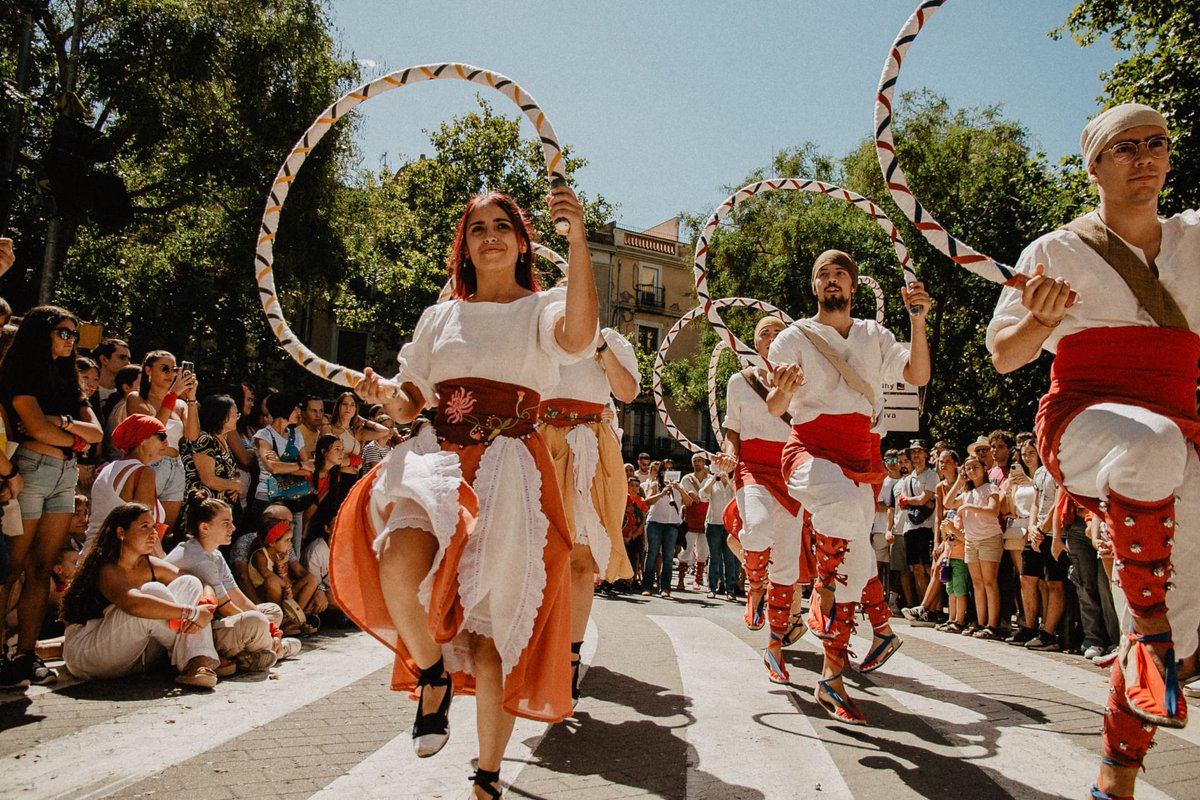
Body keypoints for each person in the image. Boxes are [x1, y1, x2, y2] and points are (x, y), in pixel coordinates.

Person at [330, 186, 597, 799]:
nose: (491, 236)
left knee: (488, 637)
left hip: (508, 467)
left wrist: (577, 237)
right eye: (478, 228)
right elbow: (409, 397)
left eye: (503, 225)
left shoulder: (542, 309)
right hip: (438, 456)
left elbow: (580, 336)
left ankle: (488, 775)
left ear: (523, 241)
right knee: (397, 558)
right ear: (465, 245)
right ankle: (430, 673)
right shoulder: (439, 316)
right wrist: (384, 397)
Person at [987, 102, 1198, 799]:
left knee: (1181, 624)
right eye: (1126, 146)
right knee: (1151, 443)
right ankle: (1148, 626)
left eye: (1157, 143)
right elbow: (1003, 354)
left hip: (1182, 424)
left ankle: (1116, 778)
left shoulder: (1196, 240)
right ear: (1095, 165)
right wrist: (1041, 319)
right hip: (1084, 418)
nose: (1145, 156)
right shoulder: (1054, 250)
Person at [766, 250, 931, 723]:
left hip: (863, 456)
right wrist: (786, 389)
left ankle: (845, 662)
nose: (832, 281)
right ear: (814, 286)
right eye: (824, 275)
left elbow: (917, 375)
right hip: (810, 450)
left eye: (840, 275)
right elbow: (778, 407)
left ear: (854, 286)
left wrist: (917, 322)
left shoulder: (875, 335)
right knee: (837, 512)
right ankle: (826, 632)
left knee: (857, 563)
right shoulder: (793, 337)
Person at [0, 306, 104, 688]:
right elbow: (33, 426)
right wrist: (71, 435)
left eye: (74, 334)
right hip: (29, 471)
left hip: (63, 474)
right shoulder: (20, 371)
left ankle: (26, 656)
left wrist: (61, 428)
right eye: (63, 332)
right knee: (12, 567)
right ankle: (1, 657)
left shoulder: (67, 376)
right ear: (41, 333)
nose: (70, 340)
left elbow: (95, 434)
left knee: (42, 568)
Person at [536, 323, 638, 704]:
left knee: (580, 560)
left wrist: (600, 347)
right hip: (542, 442)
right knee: (544, 557)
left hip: (590, 448)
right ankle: (540, 645)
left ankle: (570, 658)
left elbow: (627, 392)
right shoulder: (539, 331)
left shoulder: (612, 340)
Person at [712, 315, 808, 683]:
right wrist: (728, 455)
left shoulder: (804, 384)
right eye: (762, 333)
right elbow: (731, 431)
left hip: (791, 472)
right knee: (756, 529)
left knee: (786, 568)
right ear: (752, 343)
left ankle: (775, 647)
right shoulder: (739, 382)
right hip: (751, 467)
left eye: (778, 332)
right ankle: (754, 586)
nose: (771, 337)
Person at [60, 503, 221, 689]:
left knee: (189, 584)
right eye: (144, 527)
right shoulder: (106, 567)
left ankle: (197, 659)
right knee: (154, 592)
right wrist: (192, 613)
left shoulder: (149, 563)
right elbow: (133, 604)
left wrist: (207, 600)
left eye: (154, 526)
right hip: (88, 655)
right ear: (121, 532)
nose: (153, 533)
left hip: (134, 657)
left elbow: (198, 581)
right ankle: (199, 658)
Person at [165, 498, 295, 671]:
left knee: (272, 611)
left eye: (232, 523)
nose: (232, 528)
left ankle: (257, 650)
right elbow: (227, 607)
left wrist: (271, 629)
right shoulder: (197, 557)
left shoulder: (215, 555)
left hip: (216, 622)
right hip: (193, 632)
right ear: (204, 527)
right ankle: (276, 649)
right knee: (255, 620)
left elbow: (239, 599)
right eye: (226, 523)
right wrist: (268, 629)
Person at [124, 351, 199, 533]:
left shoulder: (180, 404)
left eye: (174, 370)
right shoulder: (137, 398)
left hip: (176, 465)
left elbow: (192, 435)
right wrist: (173, 394)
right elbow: (153, 429)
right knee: (143, 523)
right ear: (148, 370)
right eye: (164, 368)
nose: (170, 374)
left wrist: (191, 398)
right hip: (151, 464)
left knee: (166, 529)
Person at [84, 414, 169, 556]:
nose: (166, 443)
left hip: (92, 555)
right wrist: (164, 560)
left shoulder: (108, 468)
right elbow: (144, 530)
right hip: (116, 560)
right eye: (161, 436)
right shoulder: (143, 472)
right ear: (142, 438)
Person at [945, 456, 1004, 638]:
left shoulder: (991, 488)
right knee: (977, 583)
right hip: (971, 540)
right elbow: (947, 503)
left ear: (984, 468)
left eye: (975, 467)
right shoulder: (967, 492)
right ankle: (980, 622)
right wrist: (959, 482)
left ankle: (992, 624)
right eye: (968, 468)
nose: (971, 471)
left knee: (989, 582)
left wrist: (969, 507)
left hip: (989, 538)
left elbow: (994, 510)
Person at [252, 393, 313, 559]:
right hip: (268, 497)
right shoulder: (263, 435)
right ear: (284, 409)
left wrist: (283, 465)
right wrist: (298, 465)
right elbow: (272, 467)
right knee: (268, 545)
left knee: (294, 547)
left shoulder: (297, 435)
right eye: (295, 409)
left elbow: (309, 469)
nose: (298, 412)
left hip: (294, 498)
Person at [179, 395, 243, 522]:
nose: (237, 418)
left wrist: (233, 486)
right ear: (220, 417)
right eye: (234, 414)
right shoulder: (205, 440)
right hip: (205, 512)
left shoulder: (222, 439)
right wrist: (235, 485)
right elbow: (208, 479)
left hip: (221, 509)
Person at [894, 440, 938, 605]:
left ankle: (935, 607)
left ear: (926, 454)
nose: (916, 455)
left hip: (927, 527)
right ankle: (922, 606)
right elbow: (901, 502)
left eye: (919, 451)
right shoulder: (907, 479)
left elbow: (924, 498)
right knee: (916, 569)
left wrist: (916, 500)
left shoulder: (931, 475)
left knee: (928, 567)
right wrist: (918, 501)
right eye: (913, 452)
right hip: (911, 527)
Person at [641, 457, 690, 597]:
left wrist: (679, 489)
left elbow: (688, 502)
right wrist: (661, 493)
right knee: (652, 554)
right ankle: (648, 586)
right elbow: (647, 501)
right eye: (665, 469)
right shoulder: (655, 485)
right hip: (655, 523)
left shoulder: (679, 487)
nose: (668, 472)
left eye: (671, 469)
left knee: (668, 557)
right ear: (661, 472)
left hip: (672, 524)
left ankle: (666, 587)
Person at [698, 461, 737, 601]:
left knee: (729, 558)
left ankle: (730, 589)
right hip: (713, 523)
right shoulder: (712, 480)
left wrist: (728, 480)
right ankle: (711, 588)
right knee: (714, 557)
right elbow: (702, 496)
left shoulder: (735, 480)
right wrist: (714, 479)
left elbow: (738, 496)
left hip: (729, 525)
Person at [678, 453, 712, 591]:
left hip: (706, 518)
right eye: (695, 460)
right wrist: (688, 493)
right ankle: (680, 579)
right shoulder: (687, 479)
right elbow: (680, 493)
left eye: (700, 460)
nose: (697, 463)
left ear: (704, 462)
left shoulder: (711, 479)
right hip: (690, 518)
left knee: (703, 551)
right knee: (686, 549)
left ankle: (698, 579)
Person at [92, 338, 132, 407]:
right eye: (122, 358)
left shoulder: (126, 394)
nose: (128, 363)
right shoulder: (87, 390)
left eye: (128, 359)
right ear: (104, 359)